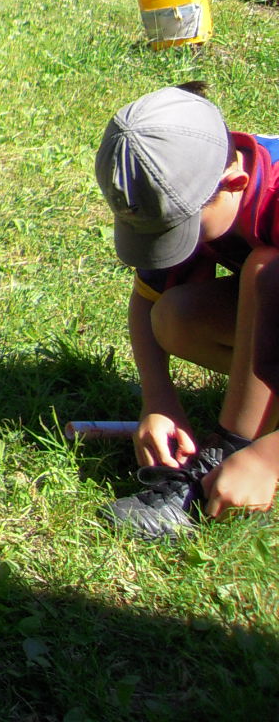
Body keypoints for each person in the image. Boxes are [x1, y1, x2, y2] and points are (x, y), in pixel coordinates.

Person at [95, 82, 279, 539]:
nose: (176, 246)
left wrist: (267, 459)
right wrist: (158, 400)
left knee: (267, 271)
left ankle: (230, 451)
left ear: (233, 184)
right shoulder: (187, 174)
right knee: (175, 317)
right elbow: (148, 299)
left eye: (181, 230)